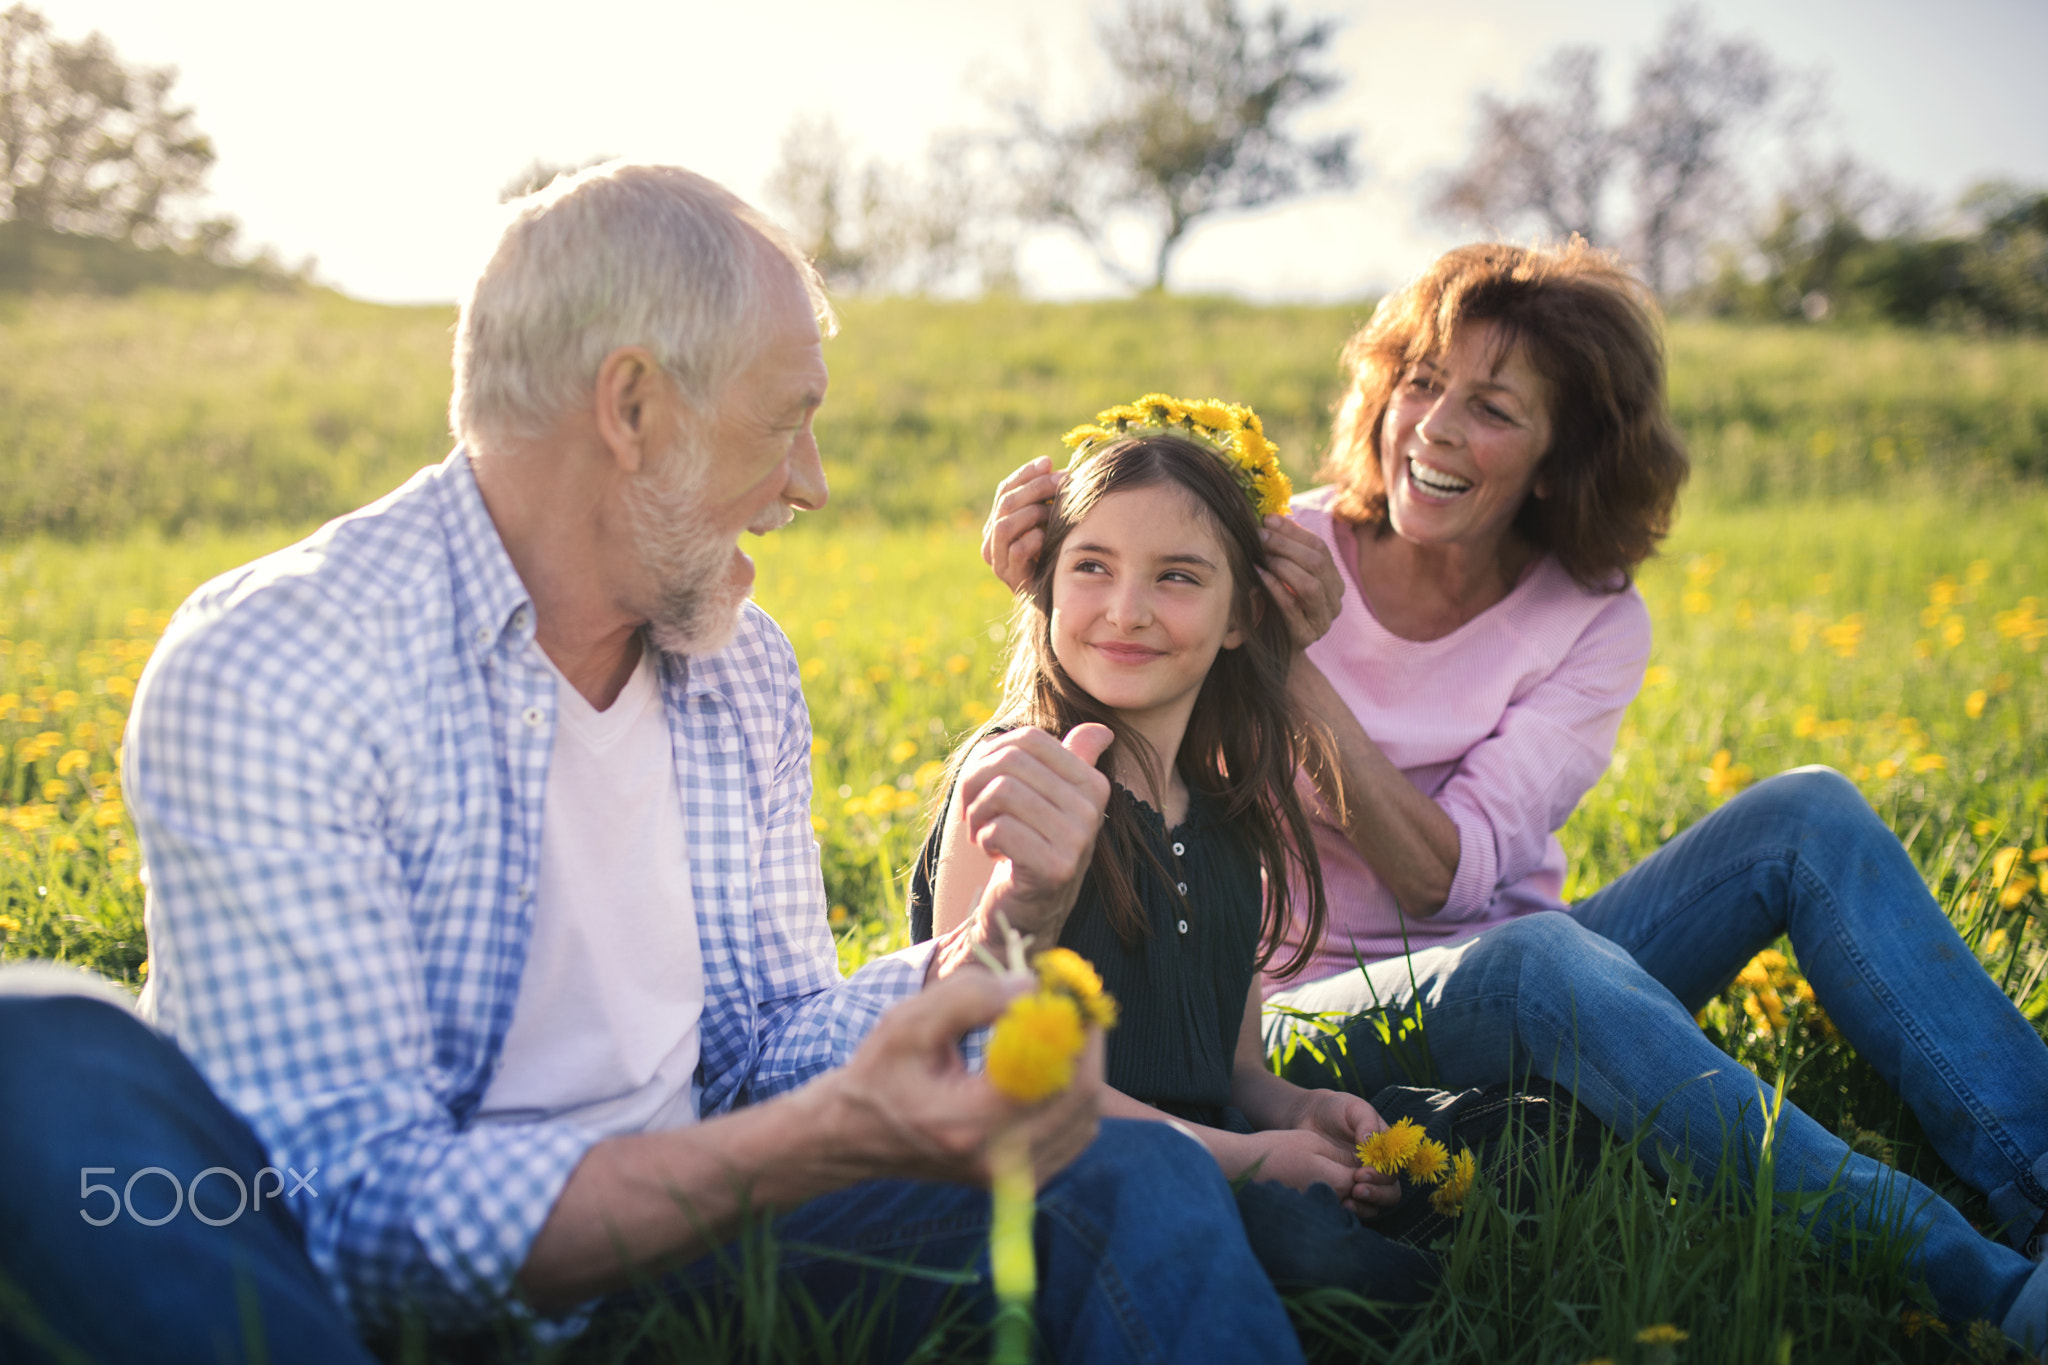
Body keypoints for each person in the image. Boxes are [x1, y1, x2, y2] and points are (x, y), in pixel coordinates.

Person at [0, 163, 1306, 1365]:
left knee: (1134, 1178)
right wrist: (817, 1141)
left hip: (704, 1240)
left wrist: (995, 936)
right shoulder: (286, 663)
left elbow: (757, 1047)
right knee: (38, 1048)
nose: (813, 483)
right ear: (632, 407)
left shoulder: (737, 666)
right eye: (785, 423)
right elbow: (353, 1206)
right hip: (390, 1312)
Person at [980, 240, 2048, 1347]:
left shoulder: (1587, 613)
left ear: (1557, 457)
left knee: (1804, 815)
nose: (1436, 428)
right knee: (1538, 963)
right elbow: (1104, 682)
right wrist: (1044, 570)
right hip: (1294, 1009)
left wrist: (1293, 666)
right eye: (1419, 385)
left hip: (1530, 963)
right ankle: (1988, 1293)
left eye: (1491, 407)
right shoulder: (1259, 551)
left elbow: (1445, 876)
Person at [910, 399, 1434, 1299]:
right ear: (1046, 586)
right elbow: (994, 1071)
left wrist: (1301, 1110)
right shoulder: (1017, 780)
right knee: (1328, 1256)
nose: (1126, 610)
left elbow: (1233, 1070)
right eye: (1092, 567)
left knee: (1421, 1162)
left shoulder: (1231, 813)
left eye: (1178, 578)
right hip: (1056, 1169)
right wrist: (1250, 1157)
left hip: (1210, 1149)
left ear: (1240, 617)